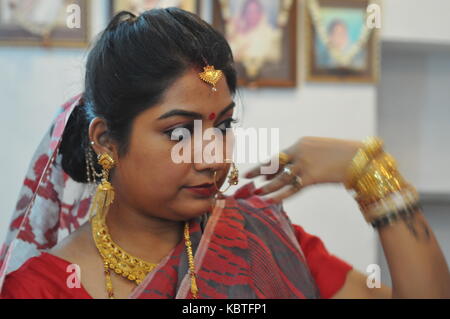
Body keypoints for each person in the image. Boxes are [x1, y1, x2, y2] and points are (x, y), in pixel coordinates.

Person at [1, 8, 449, 299]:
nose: (213, 157)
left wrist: (369, 171)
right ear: (105, 141)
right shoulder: (42, 289)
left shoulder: (257, 235)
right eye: (179, 133)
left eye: (223, 125)